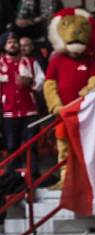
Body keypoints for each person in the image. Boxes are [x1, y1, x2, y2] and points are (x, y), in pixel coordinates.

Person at [0, 31, 39, 195]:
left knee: (31, 145)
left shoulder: (30, 62)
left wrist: (30, 82)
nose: (13, 44)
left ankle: (34, 176)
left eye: (14, 41)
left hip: (29, 110)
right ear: (4, 45)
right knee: (11, 147)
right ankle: (13, 179)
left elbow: (42, 82)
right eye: (9, 42)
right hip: (8, 112)